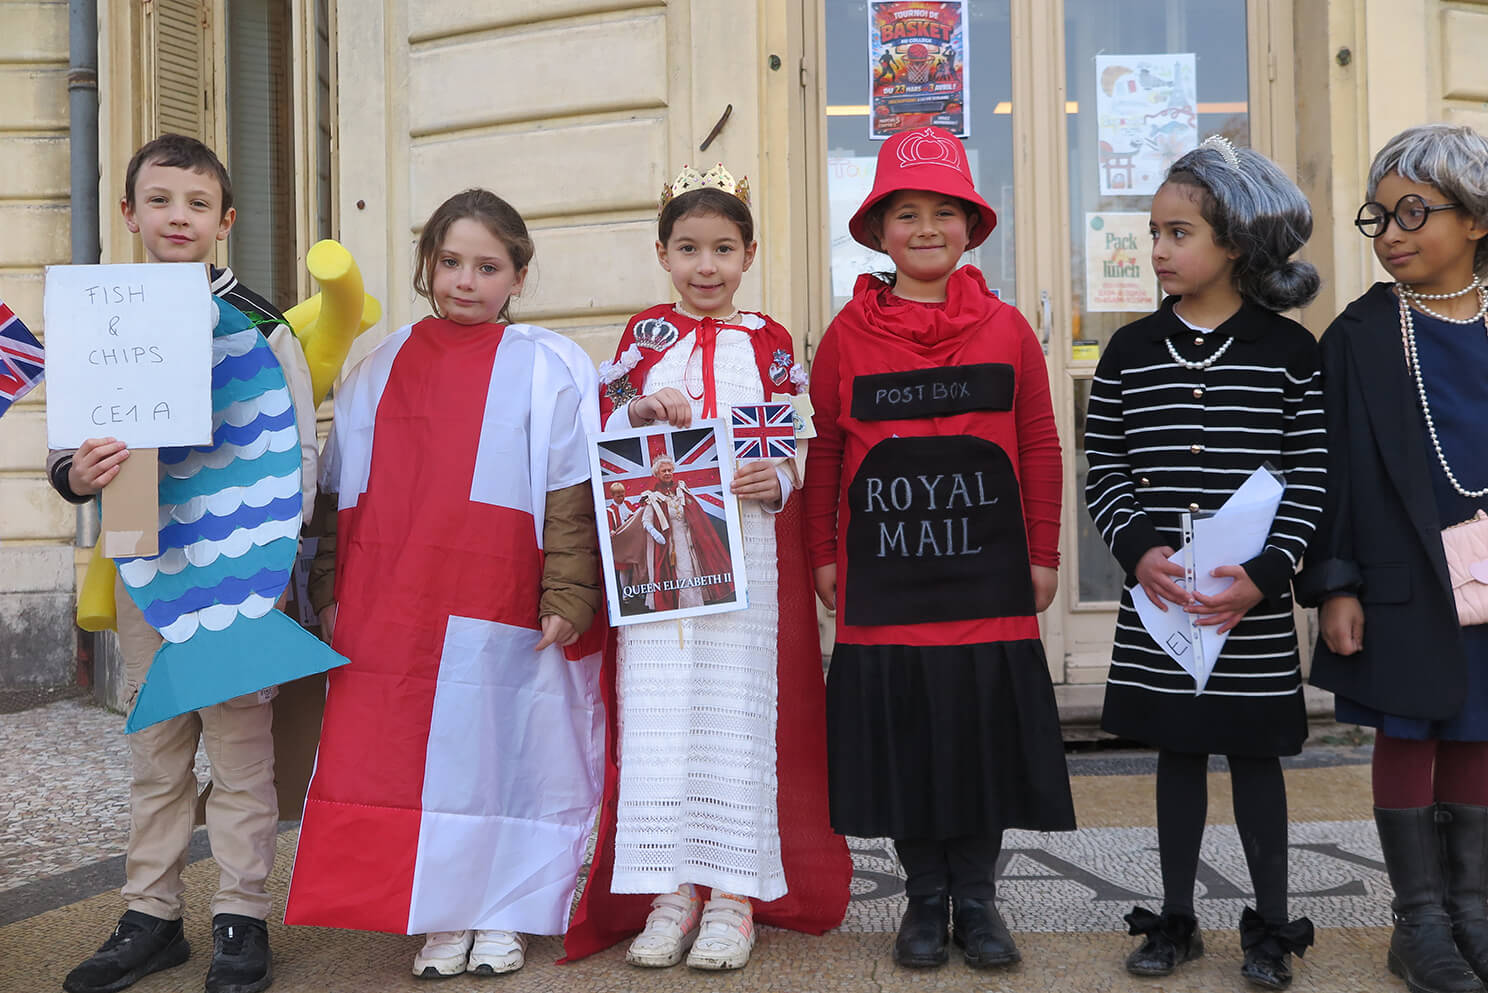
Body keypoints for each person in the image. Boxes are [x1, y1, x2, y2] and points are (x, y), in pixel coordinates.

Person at [283, 189, 604, 979]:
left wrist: (568, 593)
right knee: (415, 762)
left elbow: (571, 491)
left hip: (505, 597)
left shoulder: (548, 365)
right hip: (399, 602)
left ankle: (507, 910)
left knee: (509, 753)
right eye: (451, 262)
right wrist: (329, 589)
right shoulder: (378, 366)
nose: (466, 280)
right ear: (428, 264)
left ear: (518, 276)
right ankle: (442, 909)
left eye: (487, 267)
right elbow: (341, 490)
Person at [564, 164, 852, 971]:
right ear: (661, 253)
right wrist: (639, 410)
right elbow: (602, 430)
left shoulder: (770, 342)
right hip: (656, 556)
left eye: (723, 248)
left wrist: (779, 479)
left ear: (749, 254)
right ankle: (669, 892)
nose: (705, 265)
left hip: (746, 558)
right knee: (658, 719)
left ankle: (733, 896)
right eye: (688, 247)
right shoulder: (641, 339)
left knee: (737, 717)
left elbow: (794, 441)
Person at [46, 133, 316, 993]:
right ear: (130, 213)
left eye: (198, 204)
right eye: (160, 200)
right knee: (156, 747)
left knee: (240, 749)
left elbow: (300, 450)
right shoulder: (99, 317)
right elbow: (68, 446)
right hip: (142, 561)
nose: (178, 217)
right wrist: (75, 475)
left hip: (238, 573)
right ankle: (150, 914)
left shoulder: (263, 324)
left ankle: (241, 913)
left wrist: (272, 563)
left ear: (225, 221)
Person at [803, 125, 1074, 972]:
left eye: (944, 211)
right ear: (879, 231)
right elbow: (824, 453)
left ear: (972, 226)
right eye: (907, 213)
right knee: (908, 742)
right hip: (884, 582)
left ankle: (979, 900)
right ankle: (924, 897)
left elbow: (1040, 443)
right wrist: (822, 553)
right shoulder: (845, 337)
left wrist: (1043, 551)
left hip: (988, 577)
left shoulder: (1009, 329)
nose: (927, 228)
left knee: (979, 738)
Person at [1084, 137, 1324, 990]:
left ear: (1234, 242)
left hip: (1245, 603)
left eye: (1177, 233)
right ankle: (1176, 919)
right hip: (1163, 599)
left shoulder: (1290, 352)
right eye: (1153, 232)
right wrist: (1137, 549)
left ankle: (1270, 927)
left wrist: (1267, 573)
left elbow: (1312, 474)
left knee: (1255, 757)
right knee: (1177, 752)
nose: (1158, 249)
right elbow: (1105, 466)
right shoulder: (1127, 351)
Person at [1297, 124, 1488, 993]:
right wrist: (1336, 583)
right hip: (1402, 572)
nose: (1392, 232)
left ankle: (1472, 912)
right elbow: (1331, 470)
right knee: (1410, 728)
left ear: (1475, 218)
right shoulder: (1362, 333)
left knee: (1479, 725)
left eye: (1415, 211)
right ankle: (1419, 924)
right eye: (1379, 216)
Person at [636, 453, 732, 611]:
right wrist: (655, 533)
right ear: (657, 474)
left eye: (669, 470)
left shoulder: (681, 489)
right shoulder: (652, 496)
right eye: (664, 471)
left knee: (695, 571)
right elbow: (645, 521)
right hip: (671, 544)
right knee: (684, 573)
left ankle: (697, 605)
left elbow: (695, 512)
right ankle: (688, 607)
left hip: (691, 540)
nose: (667, 473)